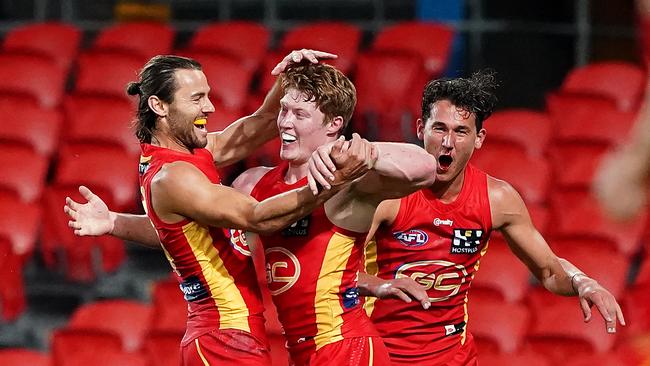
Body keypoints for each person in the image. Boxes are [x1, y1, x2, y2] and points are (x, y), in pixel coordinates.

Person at [66, 61, 438, 366]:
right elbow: (261, 218)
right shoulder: (190, 177)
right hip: (225, 335)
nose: (210, 108)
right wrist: (331, 181)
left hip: (336, 346)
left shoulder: (188, 156)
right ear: (160, 107)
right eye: (197, 99)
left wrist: (114, 222)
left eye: (298, 114)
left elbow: (425, 166)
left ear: (333, 126)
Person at [356, 70, 627, 365]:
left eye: (461, 131)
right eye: (439, 128)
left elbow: (548, 270)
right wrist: (380, 286)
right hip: (379, 355)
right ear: (421, 129)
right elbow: (333, 275)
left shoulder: (497, 199)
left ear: (479, 139)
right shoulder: (385, 194)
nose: (448, 142)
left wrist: (583, 282)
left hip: (453, 358)